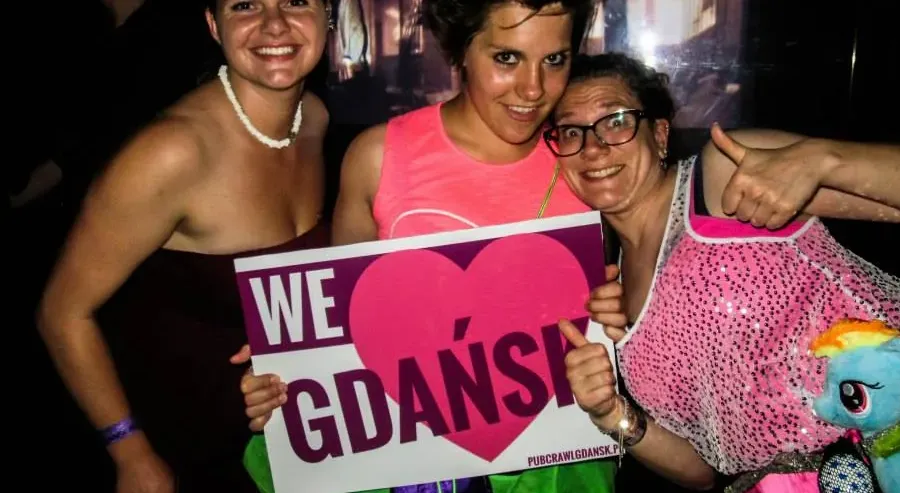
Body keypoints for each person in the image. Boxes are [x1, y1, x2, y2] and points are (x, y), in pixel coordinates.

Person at [235, 1, 625, 492]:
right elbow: (342, 321)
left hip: (547, 468)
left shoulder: (586, 162)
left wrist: (619, 309)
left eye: (554, 60)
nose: (533, 89)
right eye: (507, 58)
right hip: (401, 464)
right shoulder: (380, 157)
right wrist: (287, 364)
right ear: (461, 50)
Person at [553, 53, 900, 492]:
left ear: (659, 133)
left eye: (615, 121)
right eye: (572, 131)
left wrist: (820, 160)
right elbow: (702, 472)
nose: (593, 147)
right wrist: (610, 414)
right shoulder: (613, 299)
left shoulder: (721, 177)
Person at [35, 1, 334, 491]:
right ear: (214, 25)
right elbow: (61, 314)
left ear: (328, 16)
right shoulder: (172, 152)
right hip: (180, 444)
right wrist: (130, 451)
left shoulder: (313, 120)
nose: (274, 24)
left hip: (279, 436)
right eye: (245, 5)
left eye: (296, 1)